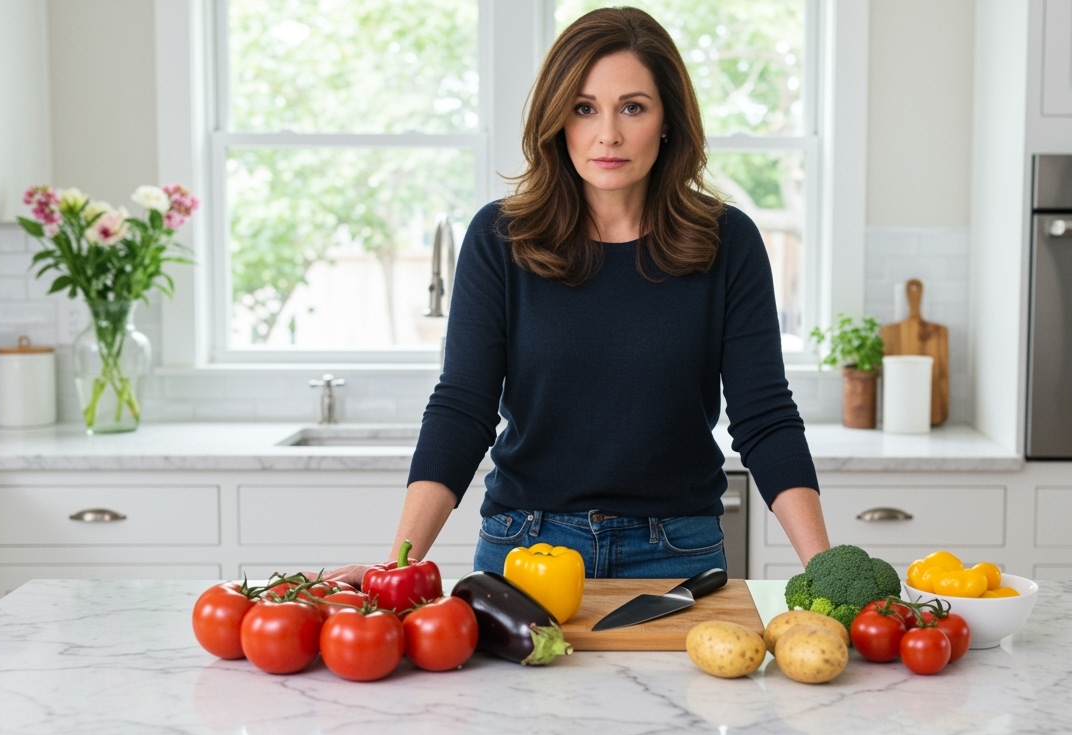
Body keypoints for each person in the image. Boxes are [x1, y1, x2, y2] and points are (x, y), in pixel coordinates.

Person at [329, 7, 830, 584]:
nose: (608, 134)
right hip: (525, 551)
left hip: (679, 554)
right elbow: (463, 410)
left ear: (667, 120)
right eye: (584, 108)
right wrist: (395, 569)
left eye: (633, 107)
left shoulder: (727, 241)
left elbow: (764, 416)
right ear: (557, 119)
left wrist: (828, 573)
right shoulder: (500, 239)